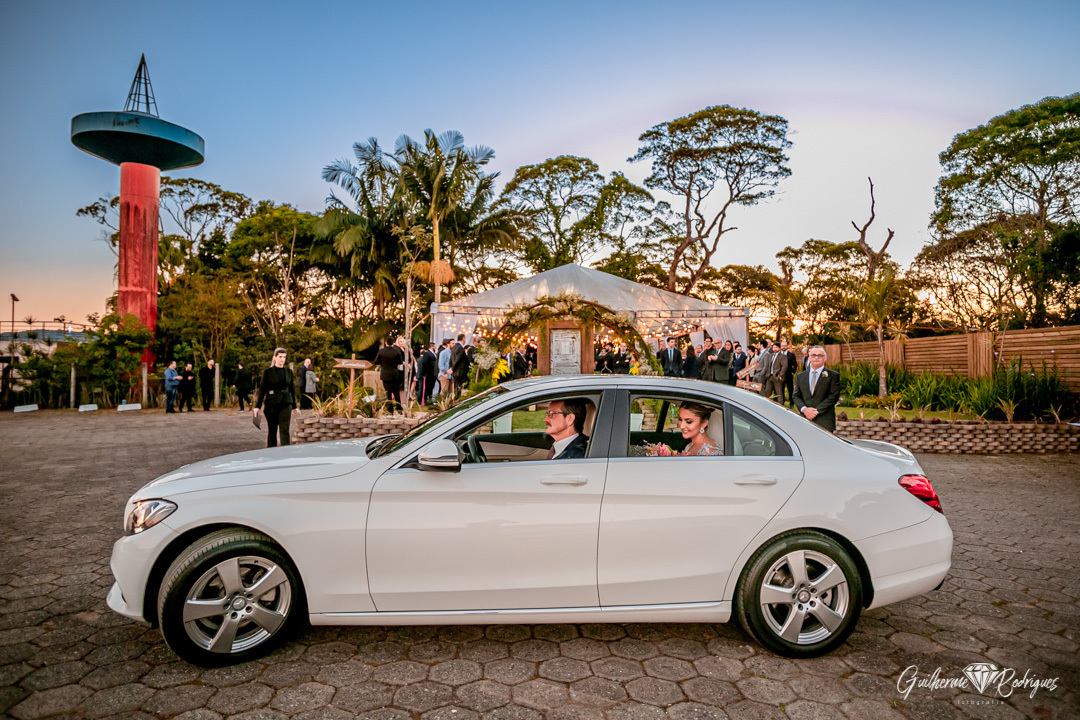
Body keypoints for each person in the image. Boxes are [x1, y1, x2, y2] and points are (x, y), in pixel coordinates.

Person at [254, 348, 297, 447]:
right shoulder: (268, 372)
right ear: (275, 357)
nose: (282, 359)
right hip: (271, 404)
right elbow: (262, 389)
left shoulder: (289, 372)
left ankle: (286, 452)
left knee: (284, 430)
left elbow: (292, 390)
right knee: (272, 430)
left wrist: (294, 406)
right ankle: (271, 452)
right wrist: (257, 406)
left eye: (284, 357)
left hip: (286, 403)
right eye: (280, 357)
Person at [793, 345, 842, 432]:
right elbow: (796, 396)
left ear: (825, 358)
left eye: (820, 355)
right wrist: (804, 409)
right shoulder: (800, 376)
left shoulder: (833, 375)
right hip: (805, 419)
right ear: (809, 358)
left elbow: (833, 396)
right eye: (813, 355)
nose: (816, 358)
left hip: (824, 421)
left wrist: (816, 411)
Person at [375, 337, 405, 412]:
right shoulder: (396, 351)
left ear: (386, 343)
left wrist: (383, 363)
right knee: (396, 392)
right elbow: (400, 362)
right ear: (393, 343)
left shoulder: (381, 351)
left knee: (388, 392)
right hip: (394, 374)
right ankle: (399, 408)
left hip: (385, 374)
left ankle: (390, 409)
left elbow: (376, 361)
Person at [780, 340, 797, 407]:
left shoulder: (791, 355)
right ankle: (782, 402)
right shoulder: (779, 354)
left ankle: (792, 403)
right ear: (780, 346)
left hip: (789, 375)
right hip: (781, 375)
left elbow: (795, 365)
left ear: (787, 346)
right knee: (781, 389)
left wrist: (792, 372)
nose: (783, 347)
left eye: (785, 346)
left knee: (790, 389)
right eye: (782, 346)